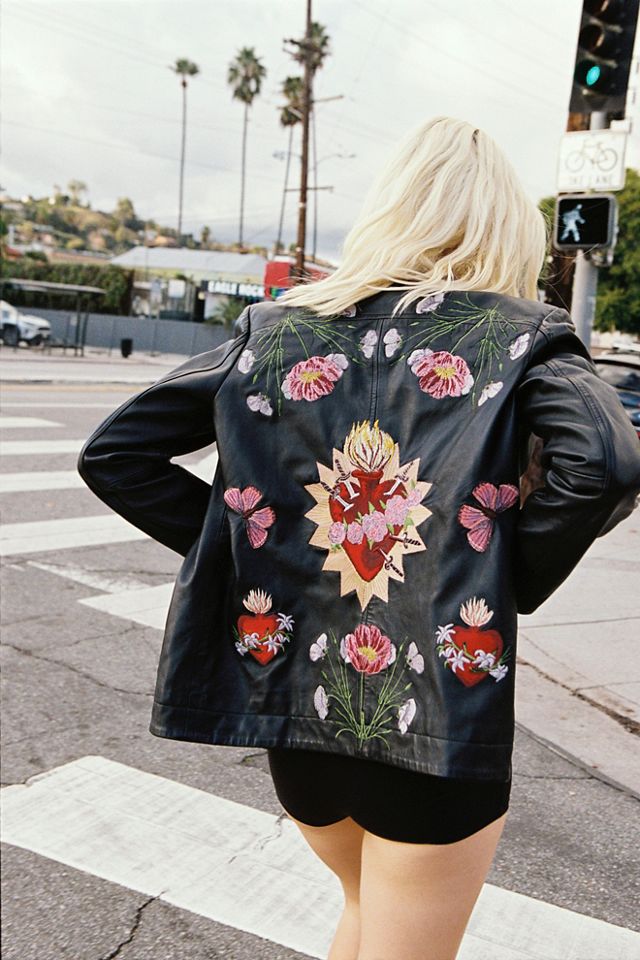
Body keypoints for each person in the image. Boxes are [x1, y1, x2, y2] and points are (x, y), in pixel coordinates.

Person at [77, 116, 640, 960]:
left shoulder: (279, 331)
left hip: (299, 715)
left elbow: (116, 454)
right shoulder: (518, 338)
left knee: (363, 917)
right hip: (435, 719)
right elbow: (603, 461)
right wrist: (499, 569)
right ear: (505, 226)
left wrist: (258, 542)